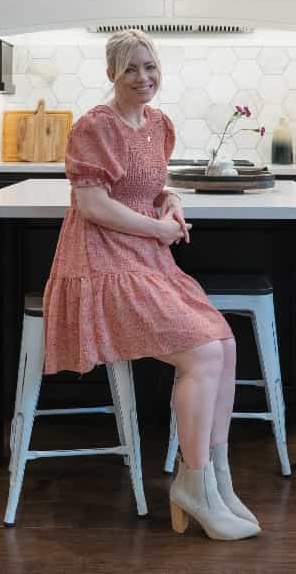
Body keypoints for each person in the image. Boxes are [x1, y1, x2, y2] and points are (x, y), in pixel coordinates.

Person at [42, 29, 260, 541]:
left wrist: (170, 202)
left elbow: (147, 184)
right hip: (101, 261)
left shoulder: (159, 124)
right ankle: (195, 482)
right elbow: (92, 205)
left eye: (150, 67)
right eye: (130, 70)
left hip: (145, 256)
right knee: (204, 353)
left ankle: (216, 481)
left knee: (224, 343)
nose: (143, 78)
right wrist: (160, 230)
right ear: (111, 76)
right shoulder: (94, 126)